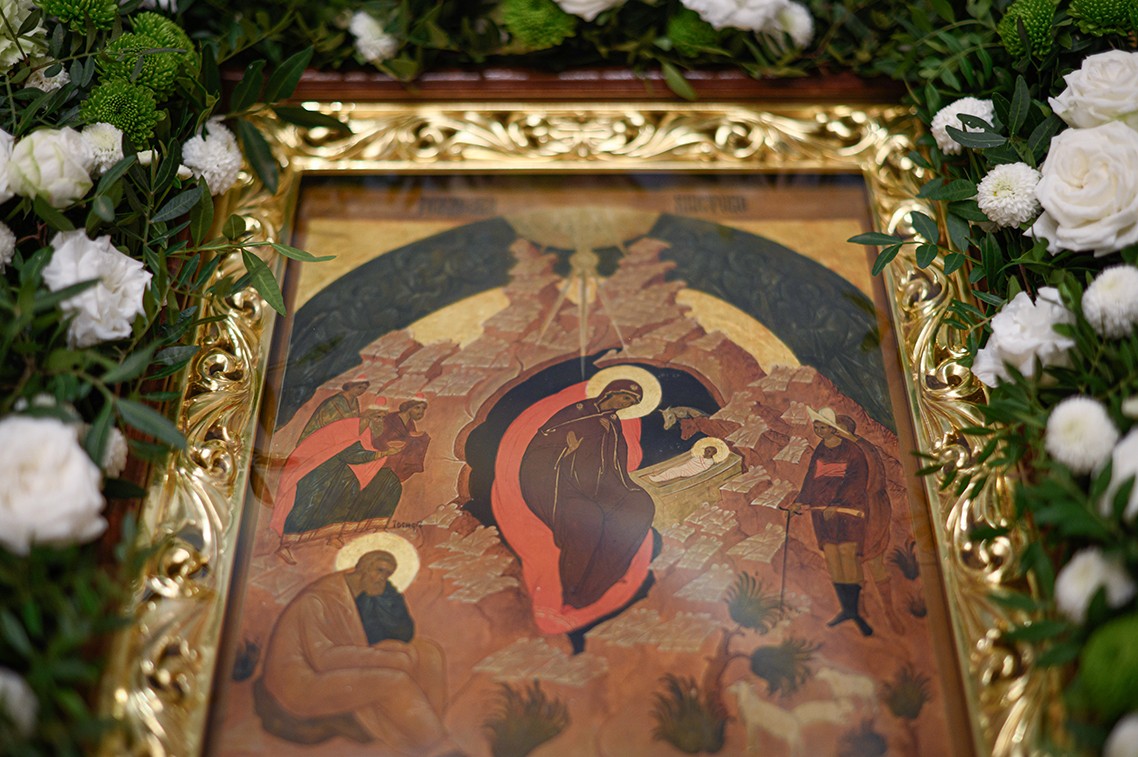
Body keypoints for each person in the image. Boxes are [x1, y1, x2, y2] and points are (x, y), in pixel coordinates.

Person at [255, 551, 451, 754]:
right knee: (395, 681)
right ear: (363, 568)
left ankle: (422, 732)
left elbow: (360, 641)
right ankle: (439, 748)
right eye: (380, 571)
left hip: (331, 669)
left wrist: (390, 653)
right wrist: (386, 658)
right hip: (302, 683)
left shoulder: (355, 597)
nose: (383, 579)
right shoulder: (316, 600)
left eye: (387, 574)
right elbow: (323, 658)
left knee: (429, 653)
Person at [518, 379, 656, 610]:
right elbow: (541, 448)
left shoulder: (613, 422)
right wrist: (564, 451)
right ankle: (572, 590)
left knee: (640, 505)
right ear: (611, 392)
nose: (626, 404)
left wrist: (623, 485)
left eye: (631, 403)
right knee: (587, 518)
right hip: (566, 487)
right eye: (625, 398)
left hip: (602, 488)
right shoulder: (576, 413)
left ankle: (599, 580)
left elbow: (614, 460)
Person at [788, 407, 873, 636]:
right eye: (816, 427)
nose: (819, 430)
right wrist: (800, 501)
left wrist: (836, 503)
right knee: (833, 557)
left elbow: (857, 480)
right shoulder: (820, 449)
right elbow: (811, 478)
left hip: (847, 510)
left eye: (823, 427)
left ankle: (855, 611)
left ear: (833, 428)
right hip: (821, 511)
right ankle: (846, 610)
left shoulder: (852, 450)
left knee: (847, 554)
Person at [300, 379, 370, 440]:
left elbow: (353, 420)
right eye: (359, 387)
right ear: (350, 386)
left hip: (336, 433)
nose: (361, 391)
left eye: (364, 389)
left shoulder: (354, 400)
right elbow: (343, 420)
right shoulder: (336, 400)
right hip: (317, 435)